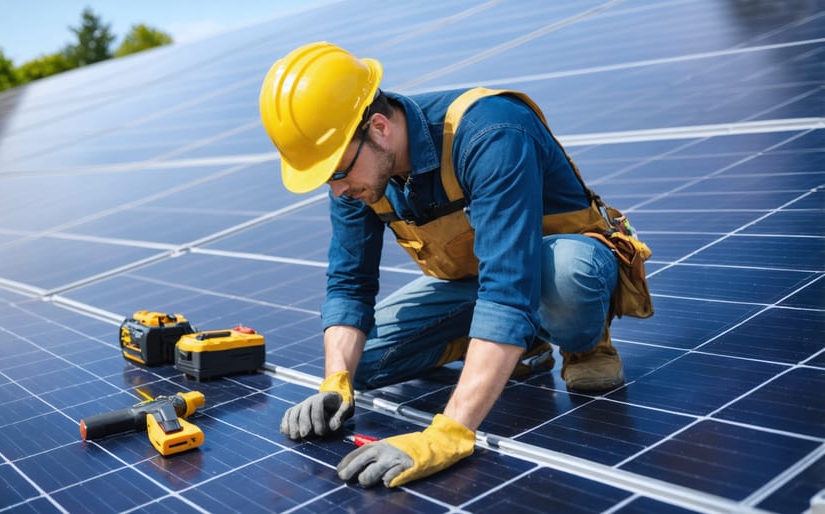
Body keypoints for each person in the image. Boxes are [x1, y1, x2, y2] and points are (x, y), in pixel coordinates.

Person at [259, 41, 640, 489]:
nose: (336, 190)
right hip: (479, 282)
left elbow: (508, 290)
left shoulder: (490, 133)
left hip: (548, 272)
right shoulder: (357, 173)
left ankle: (584, 344)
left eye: (336, 174)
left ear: (379, 128)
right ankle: (520, 345)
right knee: (360, 364)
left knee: (565, 282)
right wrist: (334, 381)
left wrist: (449, 432)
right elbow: (349, 284)